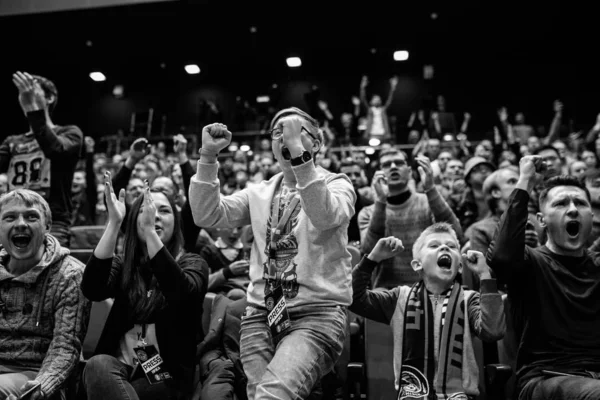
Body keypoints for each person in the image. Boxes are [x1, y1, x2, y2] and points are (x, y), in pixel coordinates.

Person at [189, 108, 355, 400]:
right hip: (260, 315)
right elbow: (207, 214)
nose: (284, 137)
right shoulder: (259, 192)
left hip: (316, 315)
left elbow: (325, 216)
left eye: (294, 130)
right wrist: (208, 157)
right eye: (278, 132)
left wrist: (300, 159)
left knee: (274, 395)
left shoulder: (338, 184)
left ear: (315, 144)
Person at [80, 176, 208, 400]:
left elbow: (182, 294)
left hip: (165, 375)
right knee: (97, 365)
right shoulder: (123, 265)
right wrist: (113, 225)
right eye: (145, 210)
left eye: (164, 211)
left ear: (176, 223)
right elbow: (92, 289)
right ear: (133, 222)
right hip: (118, 366)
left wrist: (150, 232)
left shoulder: (193, 263)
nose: (155, 215)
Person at [489, 156, 600, 399]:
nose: (572, 209)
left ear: (591, 217)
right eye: (561, 204)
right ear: (541, 220)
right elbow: (500, 257)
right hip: (544, 377)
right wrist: (525, 181)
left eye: (580, 203)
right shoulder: (531, 262)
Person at [350, 226, 505, 398]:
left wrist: (485, 275)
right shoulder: (399, 298)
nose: (444, 248)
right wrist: (372, 259)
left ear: (460, 267)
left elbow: (493, 331)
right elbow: (352, 298)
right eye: (434, 245)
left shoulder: (470, 300)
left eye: (452, 246)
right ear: (417, 265)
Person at [0, 189, 90, 399]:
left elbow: (65, 347)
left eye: (31, 216)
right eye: (10, 217)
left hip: (36, 374)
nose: (21, 223)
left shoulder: (71, 274)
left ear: (47, 227)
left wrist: (42, 385)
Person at [359, 148, 462, 289]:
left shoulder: (429, 202)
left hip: (431, 288)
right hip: (388, 293)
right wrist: (381, 202)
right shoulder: (368, 212)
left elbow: (456, 235)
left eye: (399, 163)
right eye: (387, 164)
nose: (394, 167)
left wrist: (431, 189)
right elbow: (369, 251)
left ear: (409, 171)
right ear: (378, 174)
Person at [0, 72, 83, 247]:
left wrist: (34, 111)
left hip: (52, 220)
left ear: (50, 98)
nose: (25, 94)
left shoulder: (69, 133)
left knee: (49, 270)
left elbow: (55, 150)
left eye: (31, 89)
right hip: (13, 216)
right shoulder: (12, 141)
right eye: (23, 92)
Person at [199, 226, 251, 300]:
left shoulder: (247, 251)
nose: (235, 232)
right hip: (219, 295)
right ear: (219, 227)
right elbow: (203, 283)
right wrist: (227, 272)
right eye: (230, 227)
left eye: (239, 228)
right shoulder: (208, 252)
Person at [359, 76, 398, 143]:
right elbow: (363, 100)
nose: (377, 100)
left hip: (383, 135)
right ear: (371, 101)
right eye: (375, 99)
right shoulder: (370, 110)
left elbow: (390, 100)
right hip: (371, 134)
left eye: (378, 99)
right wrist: (362, 87)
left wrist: (392, 88)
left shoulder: (383, 110)